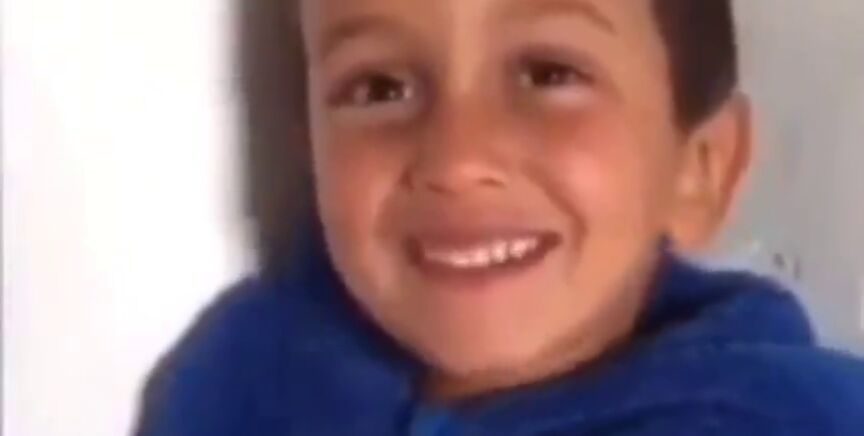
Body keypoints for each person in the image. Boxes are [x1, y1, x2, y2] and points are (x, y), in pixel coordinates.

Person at [135, 0, 864, 434]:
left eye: (549, 74)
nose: (458, 158)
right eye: (380, 86)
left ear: (699, 169)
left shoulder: (784, 418)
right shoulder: (251, 371)